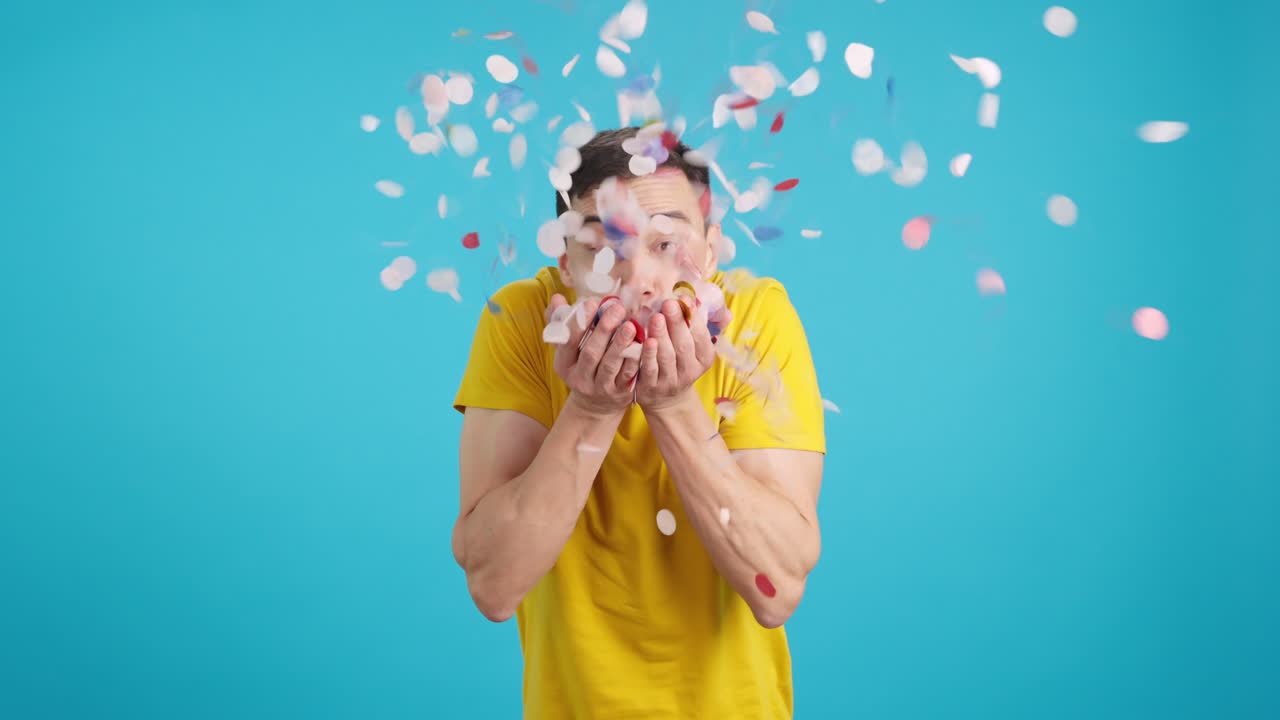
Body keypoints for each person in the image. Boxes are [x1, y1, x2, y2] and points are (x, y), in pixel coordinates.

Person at [450, 126, 826, 719]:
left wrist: (675, 405)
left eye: (667, 244)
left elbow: (775, 587)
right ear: (564, 262)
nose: (636, 282)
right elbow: (493, 586)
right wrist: (592, 408)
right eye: (602, 247)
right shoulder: (523, 321)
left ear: (710, 252)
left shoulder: (757, 320)